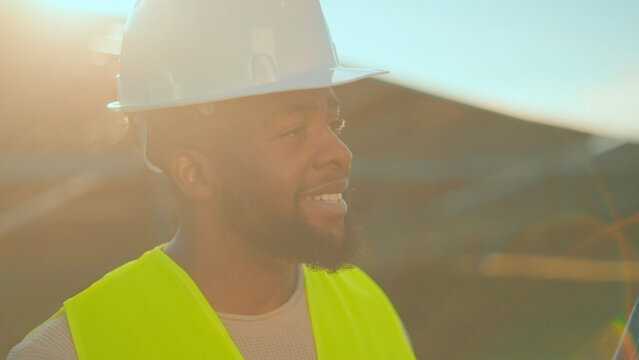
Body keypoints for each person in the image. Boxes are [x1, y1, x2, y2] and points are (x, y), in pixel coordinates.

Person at [8, 0, 415, 359]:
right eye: (293, 131)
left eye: (333, 121)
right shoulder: (68, 351)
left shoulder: (370, 308)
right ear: (195, 174)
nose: (341, 154)